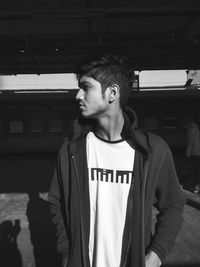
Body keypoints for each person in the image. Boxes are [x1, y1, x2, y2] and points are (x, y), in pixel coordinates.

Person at [48, 55, 186, 267]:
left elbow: (173, 204)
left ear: (112, 93)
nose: (78, 95)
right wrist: (67, 253)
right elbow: (57, 203)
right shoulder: (71, 150)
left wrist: (156, 254)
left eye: (86, 87)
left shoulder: (152, 150)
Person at [186, 112, 200, 193]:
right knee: (197, 171)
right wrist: (188, 153)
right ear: (195, 119)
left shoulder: (197, 127)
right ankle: (197, 187)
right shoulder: (192, 128)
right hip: (196, 153)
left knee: (198, 170)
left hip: (198, 153)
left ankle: (197, 186)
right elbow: (190, 141)